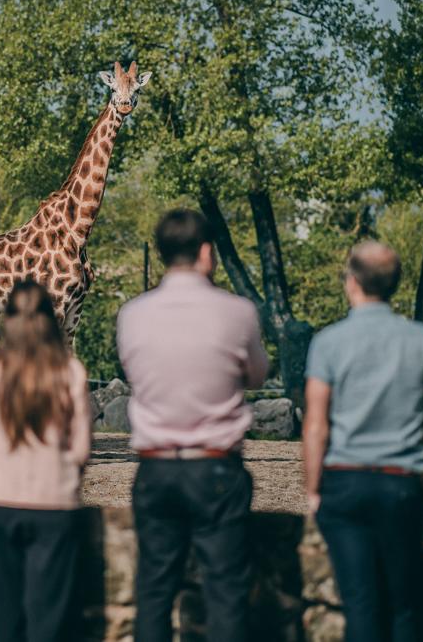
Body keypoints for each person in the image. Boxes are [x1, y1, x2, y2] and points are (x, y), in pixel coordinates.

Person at [117, 208, 268, 642]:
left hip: (156, 468)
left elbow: (133, 371)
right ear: (206, 253)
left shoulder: (132, 314)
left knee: (154, 591)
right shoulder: (238, 312)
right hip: (216, 466)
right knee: (225, 592)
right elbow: (257, 375)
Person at [303, 241, 423, 642]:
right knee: (403, 605)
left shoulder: (328, 342)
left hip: (344, 483)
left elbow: (316, 425)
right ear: (395, 284)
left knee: (361, 604)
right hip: (401, 483)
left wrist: (313, 489)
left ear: (351, 281)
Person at [0, 280, 92, 642]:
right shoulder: (71, 372)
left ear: (7, 320)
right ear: (51, 321)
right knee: (49, 624)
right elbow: (81, 450)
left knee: (3, 622)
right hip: (55, 502)